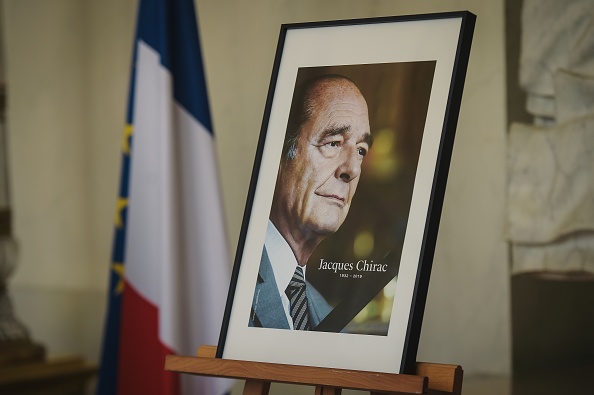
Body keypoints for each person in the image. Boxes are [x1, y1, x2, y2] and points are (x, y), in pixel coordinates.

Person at [250, 74, 373, 330]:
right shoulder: (228, 277)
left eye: (361, 150)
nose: (352, 169)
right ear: (282, 153)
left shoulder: (326, 315)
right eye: (334, 143)